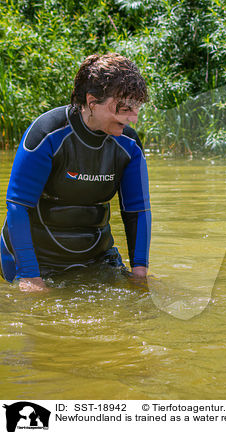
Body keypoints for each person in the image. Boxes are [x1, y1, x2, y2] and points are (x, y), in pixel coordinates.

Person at [0, 53, 151, 292]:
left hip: (96, 258)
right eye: (123, 108)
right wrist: (29, 276)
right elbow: (18, 206)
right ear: (92, 101)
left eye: (135, 109)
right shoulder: (47, 134)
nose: (132, 118)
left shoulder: (129, 145)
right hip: (36, 259)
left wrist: (140, 272)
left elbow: (137, 211)